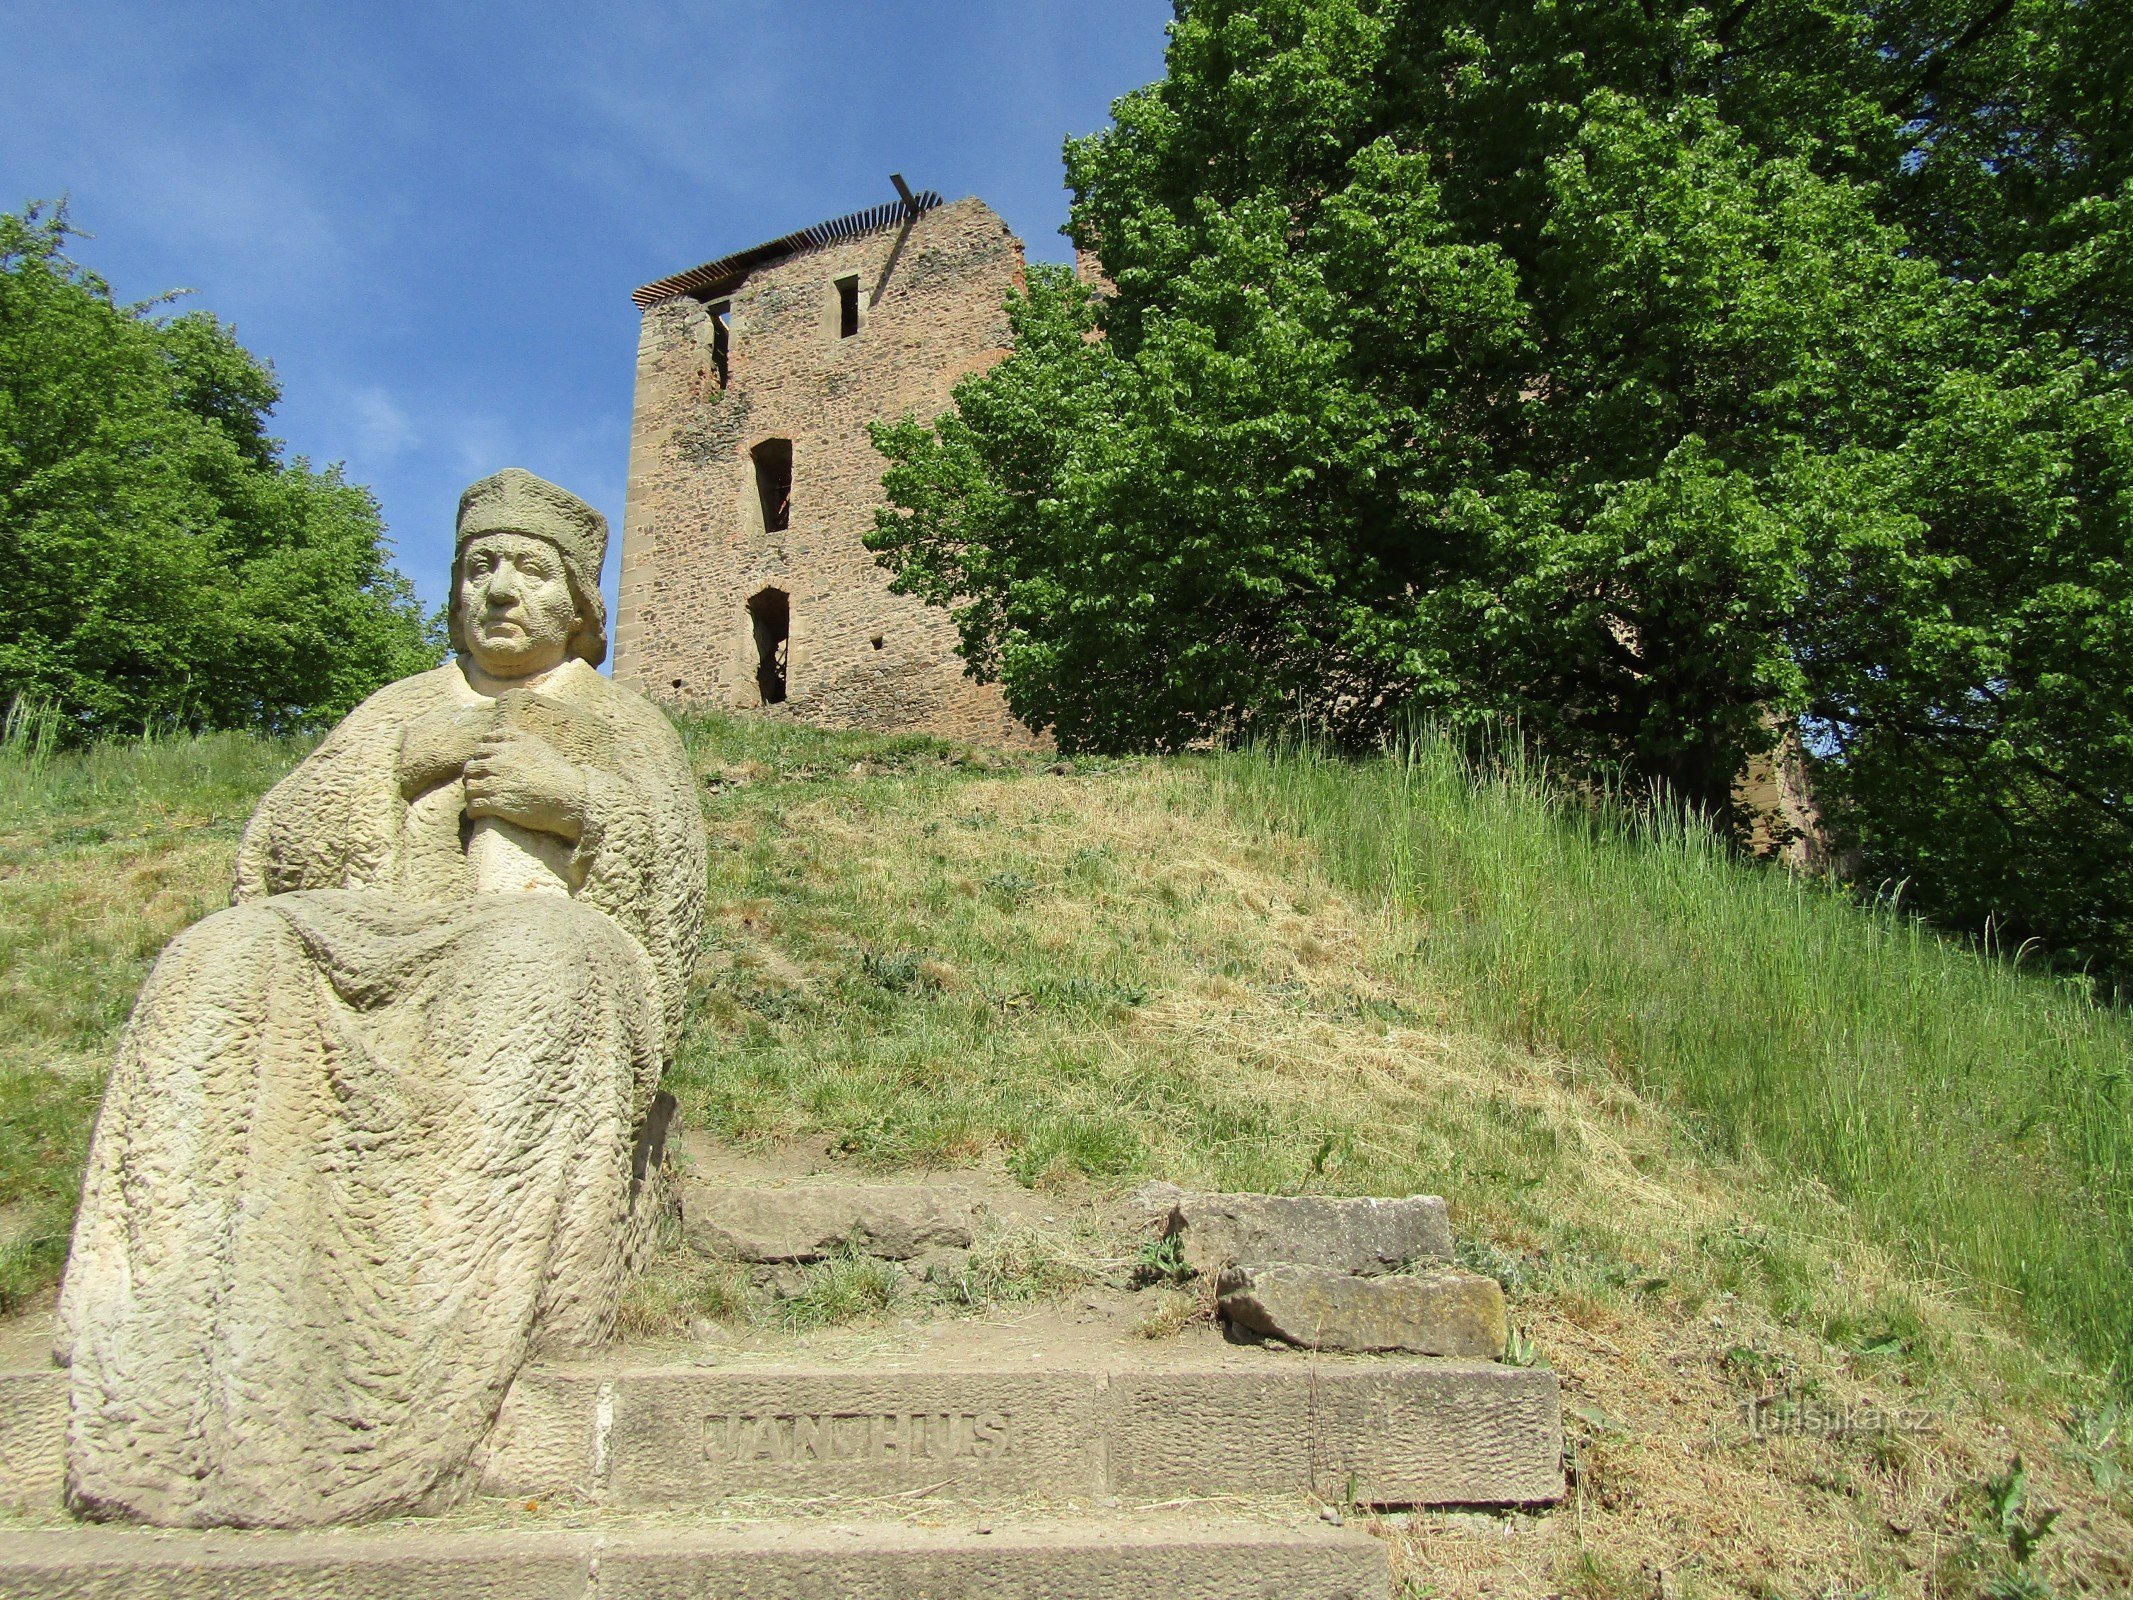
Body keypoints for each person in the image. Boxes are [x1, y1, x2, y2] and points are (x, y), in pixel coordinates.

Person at [55, 470, 707, 1528]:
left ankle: (446, 1303)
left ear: (579, 604)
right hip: (365, 925)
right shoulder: (395, 710)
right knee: (218, 954)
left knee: (535, 957)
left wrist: (577, 805)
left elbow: (668, 884)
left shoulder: (621, 721)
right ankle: (165, 1298)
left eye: (531, 571)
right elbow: (274, 847)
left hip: (533, 943)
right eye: (478, 567)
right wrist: (402, 766)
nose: (500, 589)